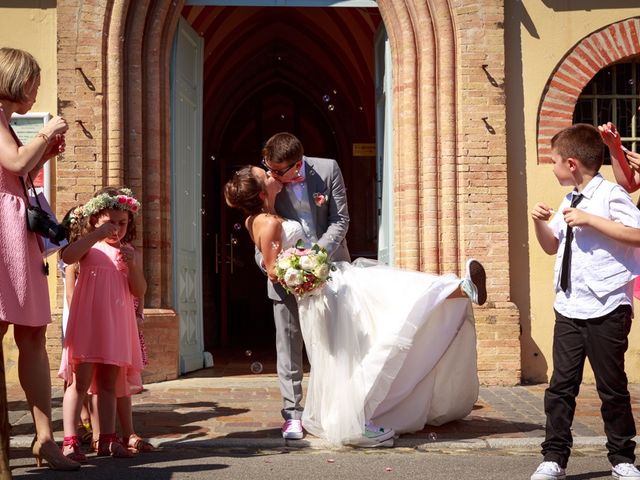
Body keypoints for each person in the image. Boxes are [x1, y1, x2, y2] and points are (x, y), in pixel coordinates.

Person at [225, 164, 486, 447]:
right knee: (370, 324)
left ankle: (457, 288)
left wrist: (307, 265)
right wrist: (308, 271)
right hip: (323, 292)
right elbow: (275, 269)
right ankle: (352, 423)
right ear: (262, 191)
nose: (269, 172)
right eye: (264, 174)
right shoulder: (270, 222)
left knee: (383, 300)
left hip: (330, 284)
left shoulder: (263, 216)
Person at [530, 124, 640, 480]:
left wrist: (592, 219)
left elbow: (637, 235)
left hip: (607, 305)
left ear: (573, 163)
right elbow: (552, 247)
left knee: (612, 386)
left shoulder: (609, 195)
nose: (553, 167)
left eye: (555, 161)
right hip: (570, 306)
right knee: (561, 386)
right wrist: (540, 224)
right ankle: (554, 459)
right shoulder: (569, 200)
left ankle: (622, 458)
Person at [0, 47, 79, 471]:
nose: (37, 90)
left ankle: (45, 439)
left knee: (32, 334)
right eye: (33, 81)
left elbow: (17, 172)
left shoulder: (8, 124)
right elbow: (12, 162)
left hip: (17, 232)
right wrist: (46, 134)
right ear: (14, 79)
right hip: (3, 235)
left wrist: (44, 154)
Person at [59, 187, 145, 461]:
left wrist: (132, 266)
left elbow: (139, 290)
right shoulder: (89, 248)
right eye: (110, 222)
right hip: (88, 323)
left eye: (122, 223)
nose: (116, 229)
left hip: (116, 326)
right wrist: (95, 235)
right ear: (95, 218)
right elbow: (67, 256)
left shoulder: (129, 252)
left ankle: (107, 438)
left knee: (109, 384)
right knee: (80, 382)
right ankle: (70, 439)